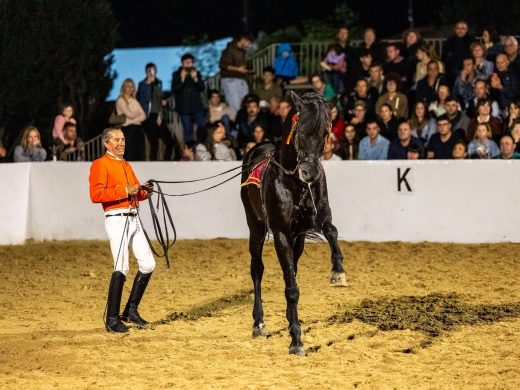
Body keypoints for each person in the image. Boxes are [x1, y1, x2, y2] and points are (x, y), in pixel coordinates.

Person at [89, 127, 155, 333]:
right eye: (116, 140)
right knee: (121, 266)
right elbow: (96, 194)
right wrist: (125, 190)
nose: (121, 143)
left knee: (148, 264)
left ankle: (130, 311)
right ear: (106, 143)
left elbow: (135, 192)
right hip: (117, 219)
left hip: (133, 218)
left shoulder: (126, 165)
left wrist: (144, 191)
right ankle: (111, 318)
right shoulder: (100, 164)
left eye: (123, 139)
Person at [137, 63, 174, 161]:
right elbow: (146, 98)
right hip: (148, 117)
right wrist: (149, 83)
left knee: (169, 142)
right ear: (146, 72)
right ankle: (153, 168)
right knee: (154, 144)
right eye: (149, 70)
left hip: (158, 115)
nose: (151, 72)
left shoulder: (159, 83)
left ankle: (166, 163)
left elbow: (160, 99)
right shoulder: (142, 85)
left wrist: (160, 114)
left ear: (156, 71)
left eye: (153, 70)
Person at [172, 53, 207, 144]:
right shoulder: (176, 74)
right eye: (186, 62)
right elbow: (175, 89)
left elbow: (202, 88)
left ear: (193, 63)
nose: (188, 64)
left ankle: (199, 144)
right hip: (184, 108)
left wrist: (195, 78)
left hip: (197, 107)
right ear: (182, 63)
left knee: (202, 125)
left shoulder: (197, 73)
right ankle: (190, 150)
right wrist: (182, 79)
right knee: (187, 131)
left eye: (190, 62)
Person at [219, 33, 253, 112]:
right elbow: (223, 65)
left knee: (246, 102)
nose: (249, 46)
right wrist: (238, 69)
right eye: (249, 43)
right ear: (243, 40)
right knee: (235, 105)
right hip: (230, 80)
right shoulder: (229, 50)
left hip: (240, 78)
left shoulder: (243, 51)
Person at [115, 78, 146, 161]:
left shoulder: (134, 100)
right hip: (128, 131)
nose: (130, 88)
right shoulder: (120, 100)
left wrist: (132, 118)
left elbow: (144, 115)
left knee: (140, 155)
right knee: (130, 155)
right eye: (128, 86)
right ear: (124, 87)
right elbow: (129, 114)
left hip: (138, 130)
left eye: (132, 86)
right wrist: (136, 114)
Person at [442, 20, 473, 86]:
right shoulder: (449, 41)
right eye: (458, 28)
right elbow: (444, 56)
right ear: (455, 29)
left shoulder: (471, 41)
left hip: (466, 72)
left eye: (462, 28)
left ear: (466, 30)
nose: (460, 30)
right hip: (451, 72)